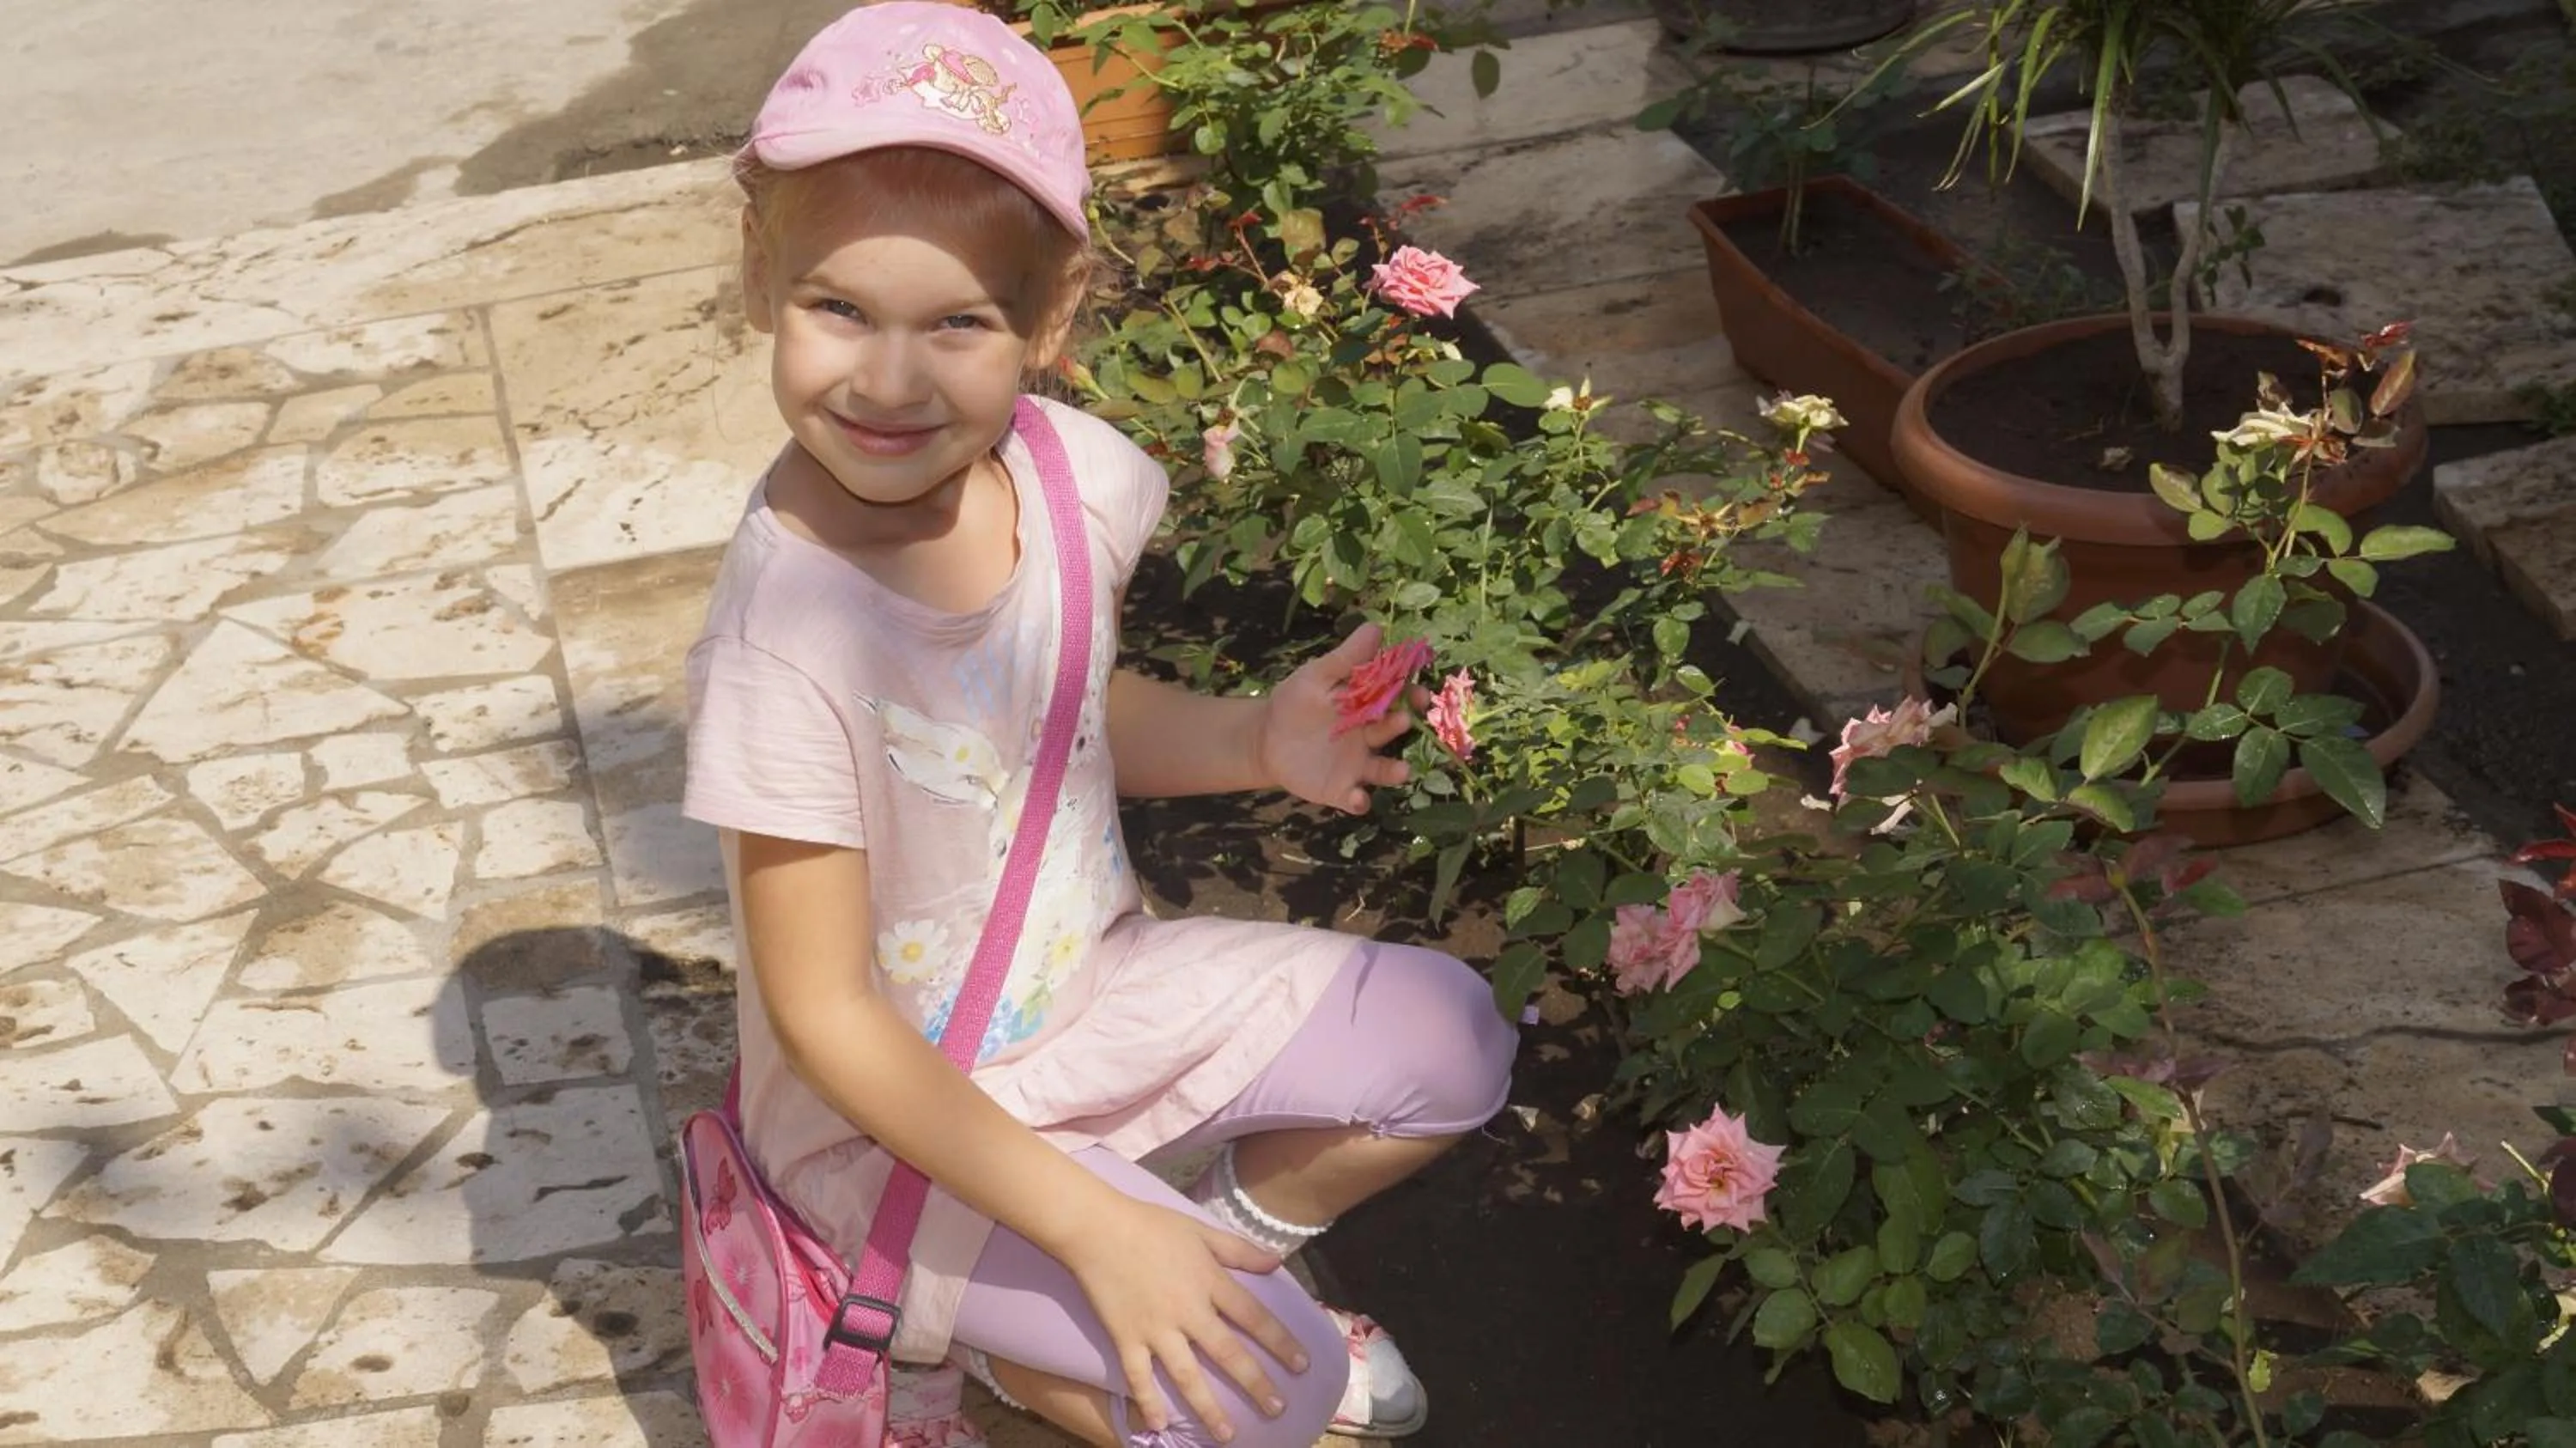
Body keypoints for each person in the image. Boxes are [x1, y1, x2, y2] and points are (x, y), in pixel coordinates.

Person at [679, 5, 1519, 1445]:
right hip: (889, 1133)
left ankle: (1206, 1248)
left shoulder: (1076, 481)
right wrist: (1090, 1229)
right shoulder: (782, 643)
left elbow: (1049, 710)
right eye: (839, 308)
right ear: (764, 279)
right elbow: (824, 1015)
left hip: (1087, 1001)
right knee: (1274, 1399)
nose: (889, 381)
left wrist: (1256, 738)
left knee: (1449, 1037)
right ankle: (1034, 1339)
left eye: (958, 321)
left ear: (1050, 317)